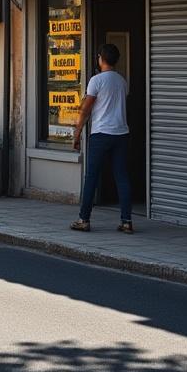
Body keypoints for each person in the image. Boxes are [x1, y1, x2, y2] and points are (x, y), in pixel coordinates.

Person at [71, 43, 133, 234]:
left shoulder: (96, 81)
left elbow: (86, 108)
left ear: (101, 58)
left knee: (91, 177)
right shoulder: (122, 81)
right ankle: (126, 221)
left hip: (100, 134)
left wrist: (77, 132)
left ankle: (84, 219)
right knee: (122, 177)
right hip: (121, 134)